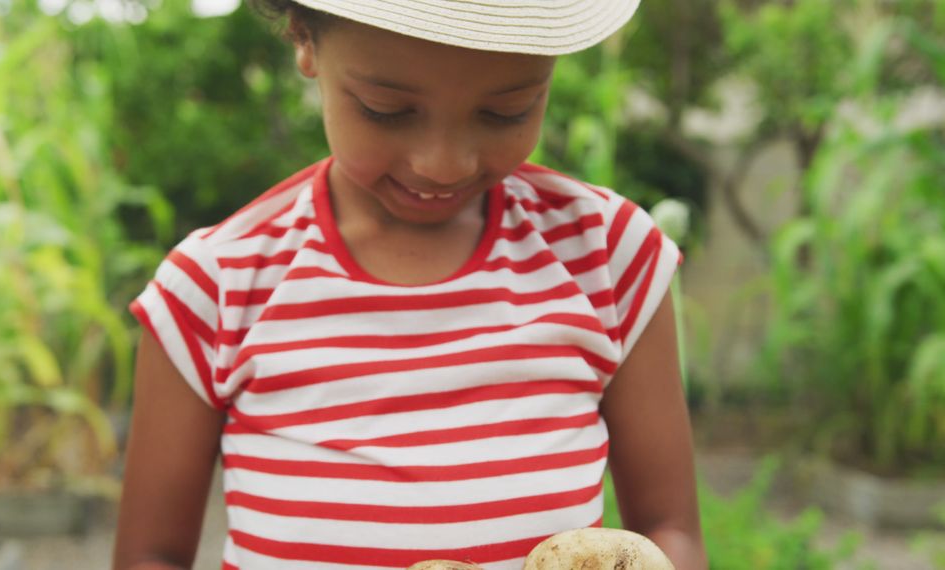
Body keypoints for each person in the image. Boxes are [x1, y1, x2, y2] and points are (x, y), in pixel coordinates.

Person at [113, 0, 706, 568]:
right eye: (385, 109)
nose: (442, 164)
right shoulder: (216, 287)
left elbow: (668, 530)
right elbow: (151, 557)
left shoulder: (606, 257)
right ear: (303, 36)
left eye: (506, 111)